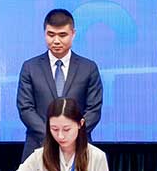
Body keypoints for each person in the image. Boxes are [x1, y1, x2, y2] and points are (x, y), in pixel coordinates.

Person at [16, 9, 103, 161]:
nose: (56, 41)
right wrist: (52, 137)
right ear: (44, 33)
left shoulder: (88, 68)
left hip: (78, 149)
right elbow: (26, 109)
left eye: (62, 35)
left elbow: (93, 110)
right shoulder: (30, 67)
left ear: (73, 34)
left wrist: (71, 136)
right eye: (51, 35)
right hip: (38, 147)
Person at [0, 97, 112, 171]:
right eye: (55, 129)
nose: (60, 136)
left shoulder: (97, 157)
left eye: (66, 129)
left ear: (80, 124)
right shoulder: (39, 156)